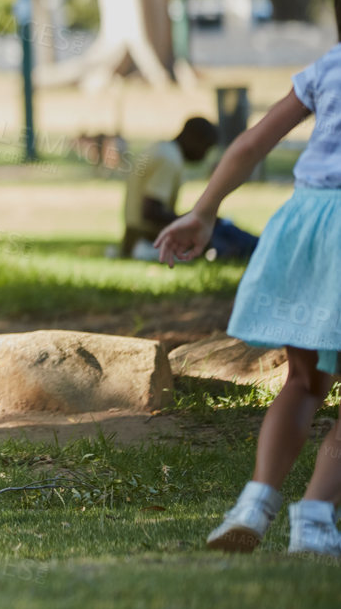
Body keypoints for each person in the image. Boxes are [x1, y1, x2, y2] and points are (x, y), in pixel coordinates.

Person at [156, 51, 341, 555]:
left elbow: (252, 143)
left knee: (304, 382)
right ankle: (317, 518)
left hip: (307, 223)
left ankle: (254, 505)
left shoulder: (329, 67)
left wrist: (204, 211)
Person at [122, 117, 256, 260]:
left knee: (221, 227)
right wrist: (196, 218)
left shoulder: (162, 149)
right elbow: (150, 212)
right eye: (206, 148)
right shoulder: (168, 159)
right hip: (147, 240)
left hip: (138, 236)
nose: (204, 156)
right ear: (194, 140)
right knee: (226, 236)